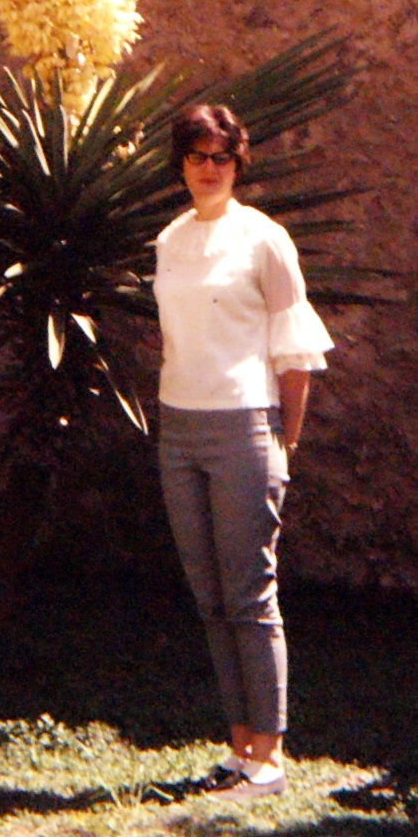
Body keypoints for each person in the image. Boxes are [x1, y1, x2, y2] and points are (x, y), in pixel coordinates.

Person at [153, 103, 333, 800]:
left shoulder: (264, 239)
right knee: (210, 598)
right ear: (180, 164)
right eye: (196, 156)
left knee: (250, 594)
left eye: (220, 157)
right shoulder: (169, 240)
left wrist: (285, 440)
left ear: (237, 163)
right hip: (178, 429)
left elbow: (296, 352)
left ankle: (270, 755)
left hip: (245, 429)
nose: (208, 168)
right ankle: (238, 747)